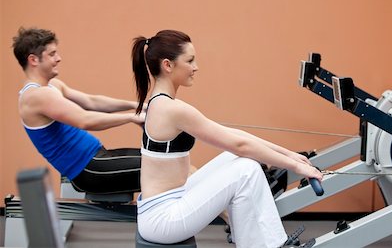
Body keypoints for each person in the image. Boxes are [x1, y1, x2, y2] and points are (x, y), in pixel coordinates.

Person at [131, 30, 323, 248]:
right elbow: (240, 144)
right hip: (162, 219)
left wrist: (289, 155)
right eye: (190, 60)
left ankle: (261, 239)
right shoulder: (171, 109)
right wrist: (297, 167)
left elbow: (235, 137)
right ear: (168, 65)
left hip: (168, 203)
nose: (196, 67)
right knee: (246, 171)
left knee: (234, 158)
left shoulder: (162, 103)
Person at [13, 27, 144, 194]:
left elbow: (91, 102)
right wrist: (132, 117)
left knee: (168, 162)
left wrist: (137, 106)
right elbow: (84, 120)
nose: (58, 58)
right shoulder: (36, 96)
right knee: (168, 168)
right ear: (33, 60)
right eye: (52, 54)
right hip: (90, 169)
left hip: (97, 158)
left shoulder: (52, 86)